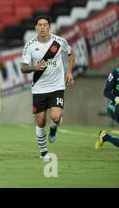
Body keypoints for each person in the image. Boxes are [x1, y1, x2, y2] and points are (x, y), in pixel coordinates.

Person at [20, 16, 75, 161]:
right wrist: (35, 67)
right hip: (39, 88)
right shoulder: (30, 46)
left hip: (57, 86)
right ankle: (43, 151)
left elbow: (71, 53)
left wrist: (69, 72)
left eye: (45, 25)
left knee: (55, 117)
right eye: (40, 25)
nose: (42, 27)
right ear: (36, 28)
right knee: (40, 121)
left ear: (49, 27)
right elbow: (23, 68)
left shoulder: (59, 41)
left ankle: (54, 128)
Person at [95, 48, 119, 152]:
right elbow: (106, 91)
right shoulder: (115, 73)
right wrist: (116, 98)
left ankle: (105, 137)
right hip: (113, 107)